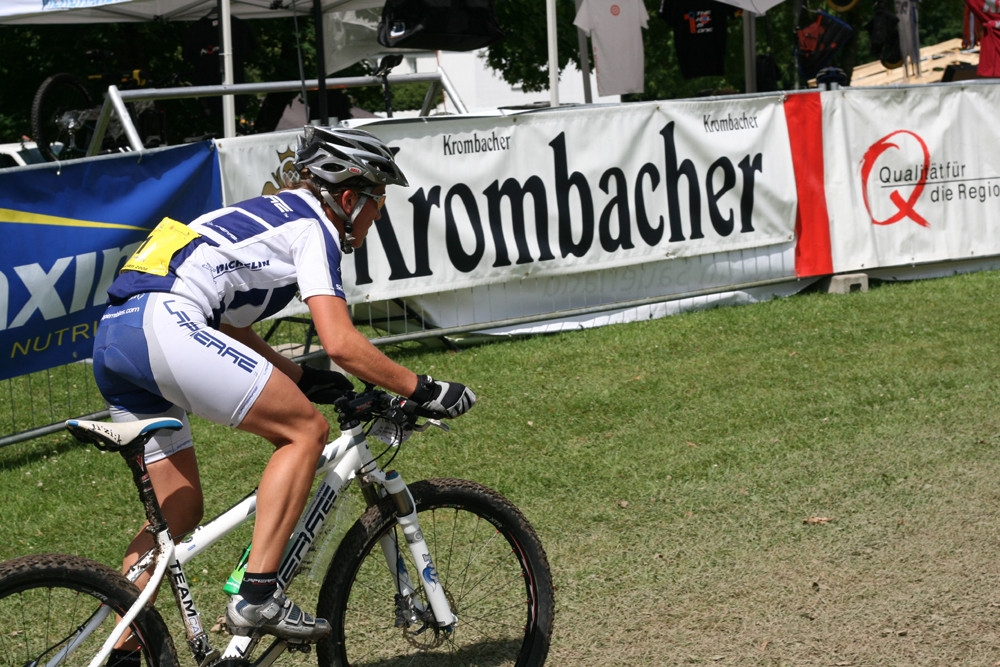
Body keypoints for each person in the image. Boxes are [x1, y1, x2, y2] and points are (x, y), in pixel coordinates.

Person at [91, 126, 476, 656]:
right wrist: (425, 388)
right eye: (377, 202)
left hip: (117, 334)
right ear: (347, 198)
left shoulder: (260, 214)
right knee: (304, 432)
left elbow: (225, 321)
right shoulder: (312, 227)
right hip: (165, 324)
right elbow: (340, 341)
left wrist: (299, 377)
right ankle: (258, 595)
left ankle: (121, 641)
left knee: (178, 512)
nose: (378, 216)